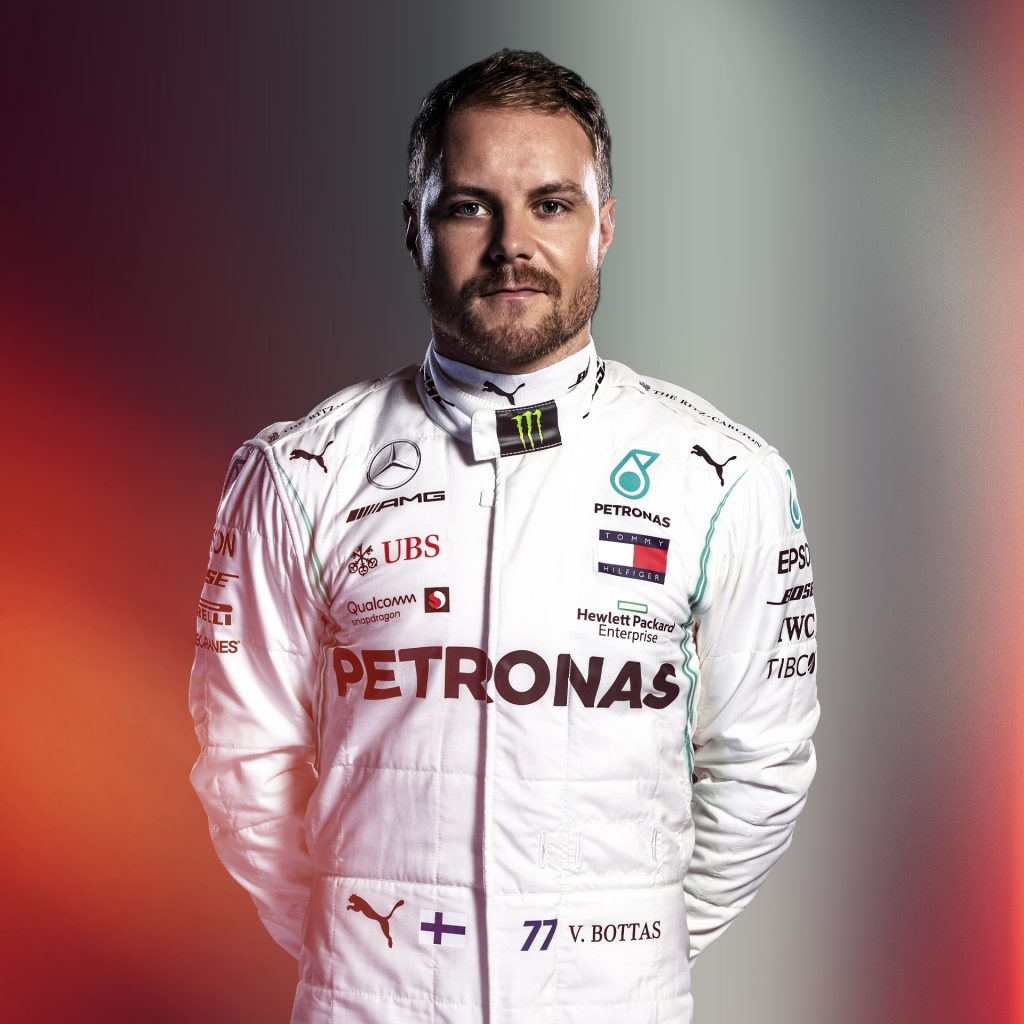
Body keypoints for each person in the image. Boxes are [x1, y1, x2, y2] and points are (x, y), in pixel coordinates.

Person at [189, 49, 819, 1024]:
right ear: (415, 226)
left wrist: (627, 950)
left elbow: (762, 761)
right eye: (469, 206)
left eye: (551, 205)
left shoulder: (726, 479)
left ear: (605, 226)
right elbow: (244, 760)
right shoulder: (299, 472)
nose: (511, 244)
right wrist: (368, 953)